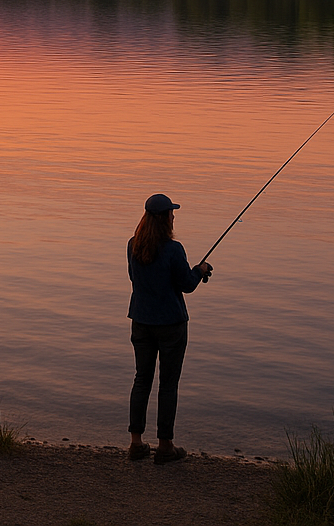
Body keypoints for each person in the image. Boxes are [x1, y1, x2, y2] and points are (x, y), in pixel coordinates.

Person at [127, 192, 212, 464]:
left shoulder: (132, 246)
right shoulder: (174, 249)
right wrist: (200, 270)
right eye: (172, 212)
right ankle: (165, 447)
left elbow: (136, 278)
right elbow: (186, 284)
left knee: (142, 380)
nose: (174, 216)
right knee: (168, 385)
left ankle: (136, 443)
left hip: (141, 322)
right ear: (165, 218)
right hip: (171, 325)